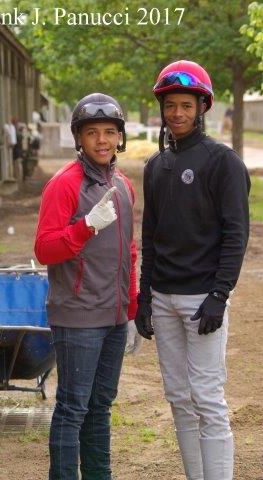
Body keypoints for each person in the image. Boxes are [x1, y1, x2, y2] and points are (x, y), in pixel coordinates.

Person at [135, 60, 250, 480]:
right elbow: (150, 235)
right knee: (178, 398)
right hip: (163, 299)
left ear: (203, 107)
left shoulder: (223, 162)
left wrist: (220, 295)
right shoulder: (155, 166)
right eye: (170, 106)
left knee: (206, 397)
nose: (177, 114)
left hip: (204, 300)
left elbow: (236, 233)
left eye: (186, 105)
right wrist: (144, 297)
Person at [34, 92, 138, 480]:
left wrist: (130, 310)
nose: (102, 140)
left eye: (110, 132)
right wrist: (86, 226)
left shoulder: (125, 186)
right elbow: (44, 248)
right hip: (77, 316)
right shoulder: (64, 185)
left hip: (112, 317)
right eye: (92, 132)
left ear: (119, 137)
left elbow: (128, 251)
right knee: (73, 407)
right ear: (79, 138)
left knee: (100, 406)